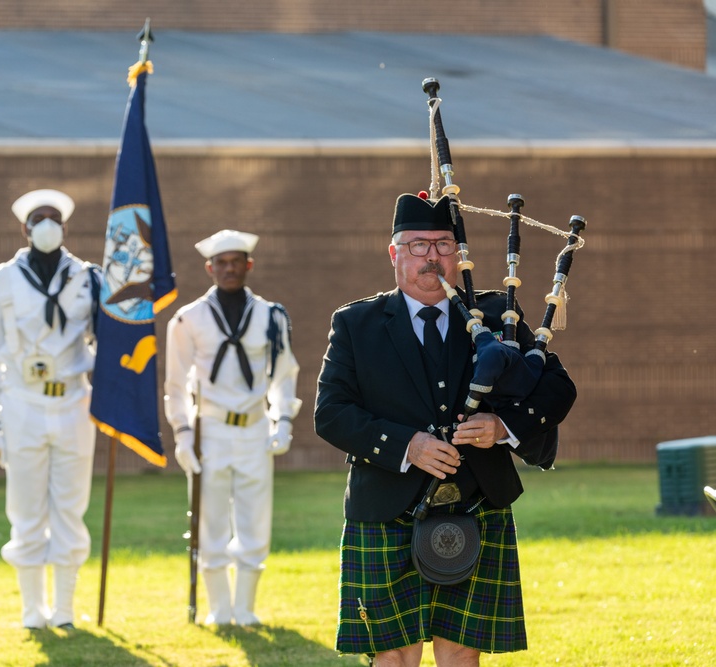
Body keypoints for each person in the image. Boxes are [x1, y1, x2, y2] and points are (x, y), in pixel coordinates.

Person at [314, 193, 576, 665]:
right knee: (393, 654)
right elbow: (330, 412)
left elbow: (557, 389)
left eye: (443, 245)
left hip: (476, 501)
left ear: (460, 255)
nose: (431, 257)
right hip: (385, 504)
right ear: (394, 253)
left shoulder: (497, 317)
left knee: (461, 653)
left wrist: (502, 427)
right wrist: (406, 445)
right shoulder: (357, 323)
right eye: (417, 246)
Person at [0, 189, 101, 630]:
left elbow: (112, 347)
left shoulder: (90, 279)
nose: (46, 225)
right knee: (25, 509)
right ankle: (32, 609)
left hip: (73, 401)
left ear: (65, 227)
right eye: (38, 219)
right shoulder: (0, 281)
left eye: (54, 218)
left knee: (70, 506)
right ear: (24, 228)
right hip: (23, 402)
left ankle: (64, 608)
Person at [164, 229, 301, 626]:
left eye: (235, 262)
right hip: (210, 431)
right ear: (209, 268)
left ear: (248, 266)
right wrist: (182, 433)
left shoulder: (270, 316)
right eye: (221, 263)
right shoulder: (188, 319)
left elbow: (284, 372)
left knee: (255, 519)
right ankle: (219, 610)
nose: (228, 269)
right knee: (209, 520)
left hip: (255, 429)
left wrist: (283, 419)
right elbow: (175, 384)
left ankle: (245, 609)